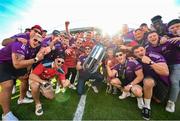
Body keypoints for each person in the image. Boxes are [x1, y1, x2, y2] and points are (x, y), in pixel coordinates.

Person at [0, 33, 44, 121]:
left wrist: (26, 71)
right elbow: (17, 64)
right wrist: (36, 59)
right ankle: (6, 114)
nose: (36, 43)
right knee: (8, 84)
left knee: (25, 78)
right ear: (30, 38)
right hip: (3, 62)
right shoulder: (21, 44)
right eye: (35, 40)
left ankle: (21, 98)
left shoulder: (32, 48)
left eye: (39, 42)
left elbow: (28, 63)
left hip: (12, 64)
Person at [132, 45, 170, 120]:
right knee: (147, 82)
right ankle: (147, 107)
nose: (140, 52)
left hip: (160, 80)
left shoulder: (154, 55)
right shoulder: (136, 60)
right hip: (147, 80)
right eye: (136, 52)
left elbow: (166, 72)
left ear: (145, 50)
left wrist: (150, 62)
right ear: (134, 54)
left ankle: (148, 95)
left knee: (158, 101)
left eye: (141, 50)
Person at [29, 50, 70, 116]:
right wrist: (42, 82)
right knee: (35, 86)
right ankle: (38, 104)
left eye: (62, 62)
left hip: (46, 81)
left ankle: (39, 90)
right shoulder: (45, 64)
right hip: (36, 78)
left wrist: (66, 84)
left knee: (51, 97)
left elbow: (63, 83)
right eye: (58, 61)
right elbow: (31, 75)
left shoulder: (61, 70)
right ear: (54, 60)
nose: (60, 63)